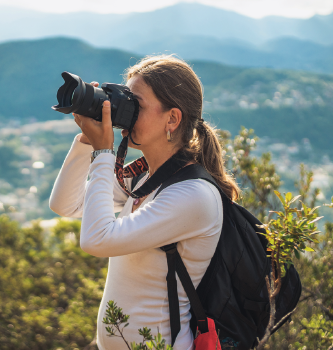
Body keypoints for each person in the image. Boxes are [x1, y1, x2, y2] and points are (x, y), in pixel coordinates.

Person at [49, 55, 240, 350]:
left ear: (172, 119)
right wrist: (87, 140)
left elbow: (97, 240)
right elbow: (65, 204)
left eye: (136, 103)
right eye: (127, 99)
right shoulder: (145, 180)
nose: (128, 111)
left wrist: (103, 153)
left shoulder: (193, 195)